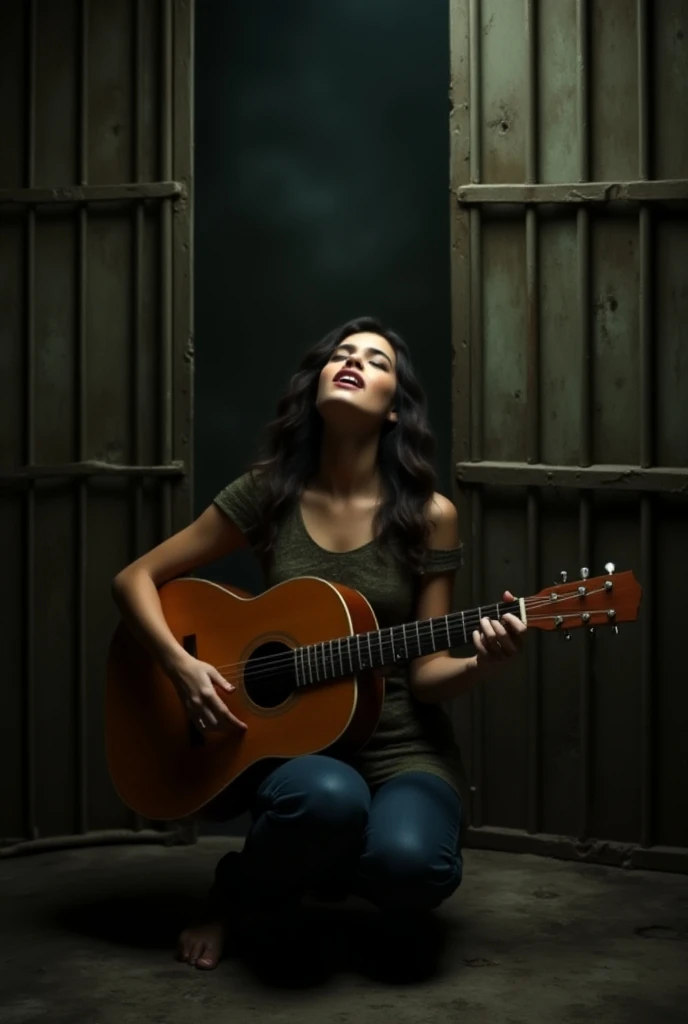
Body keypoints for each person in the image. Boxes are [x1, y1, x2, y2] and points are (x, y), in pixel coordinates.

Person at [111, 316, 526, 970]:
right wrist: (182, 665)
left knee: (411, 868)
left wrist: (481, 659)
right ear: (318, 384)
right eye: (342, 353)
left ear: (394, 410)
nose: (353, 361)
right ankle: (240, 891)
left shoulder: (429, 515)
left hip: (401, 748)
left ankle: (323, 865)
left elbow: (425, 676)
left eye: (376, 360)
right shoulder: (268, 493)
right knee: (326, 799)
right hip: (297, 752)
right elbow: (135, 578)